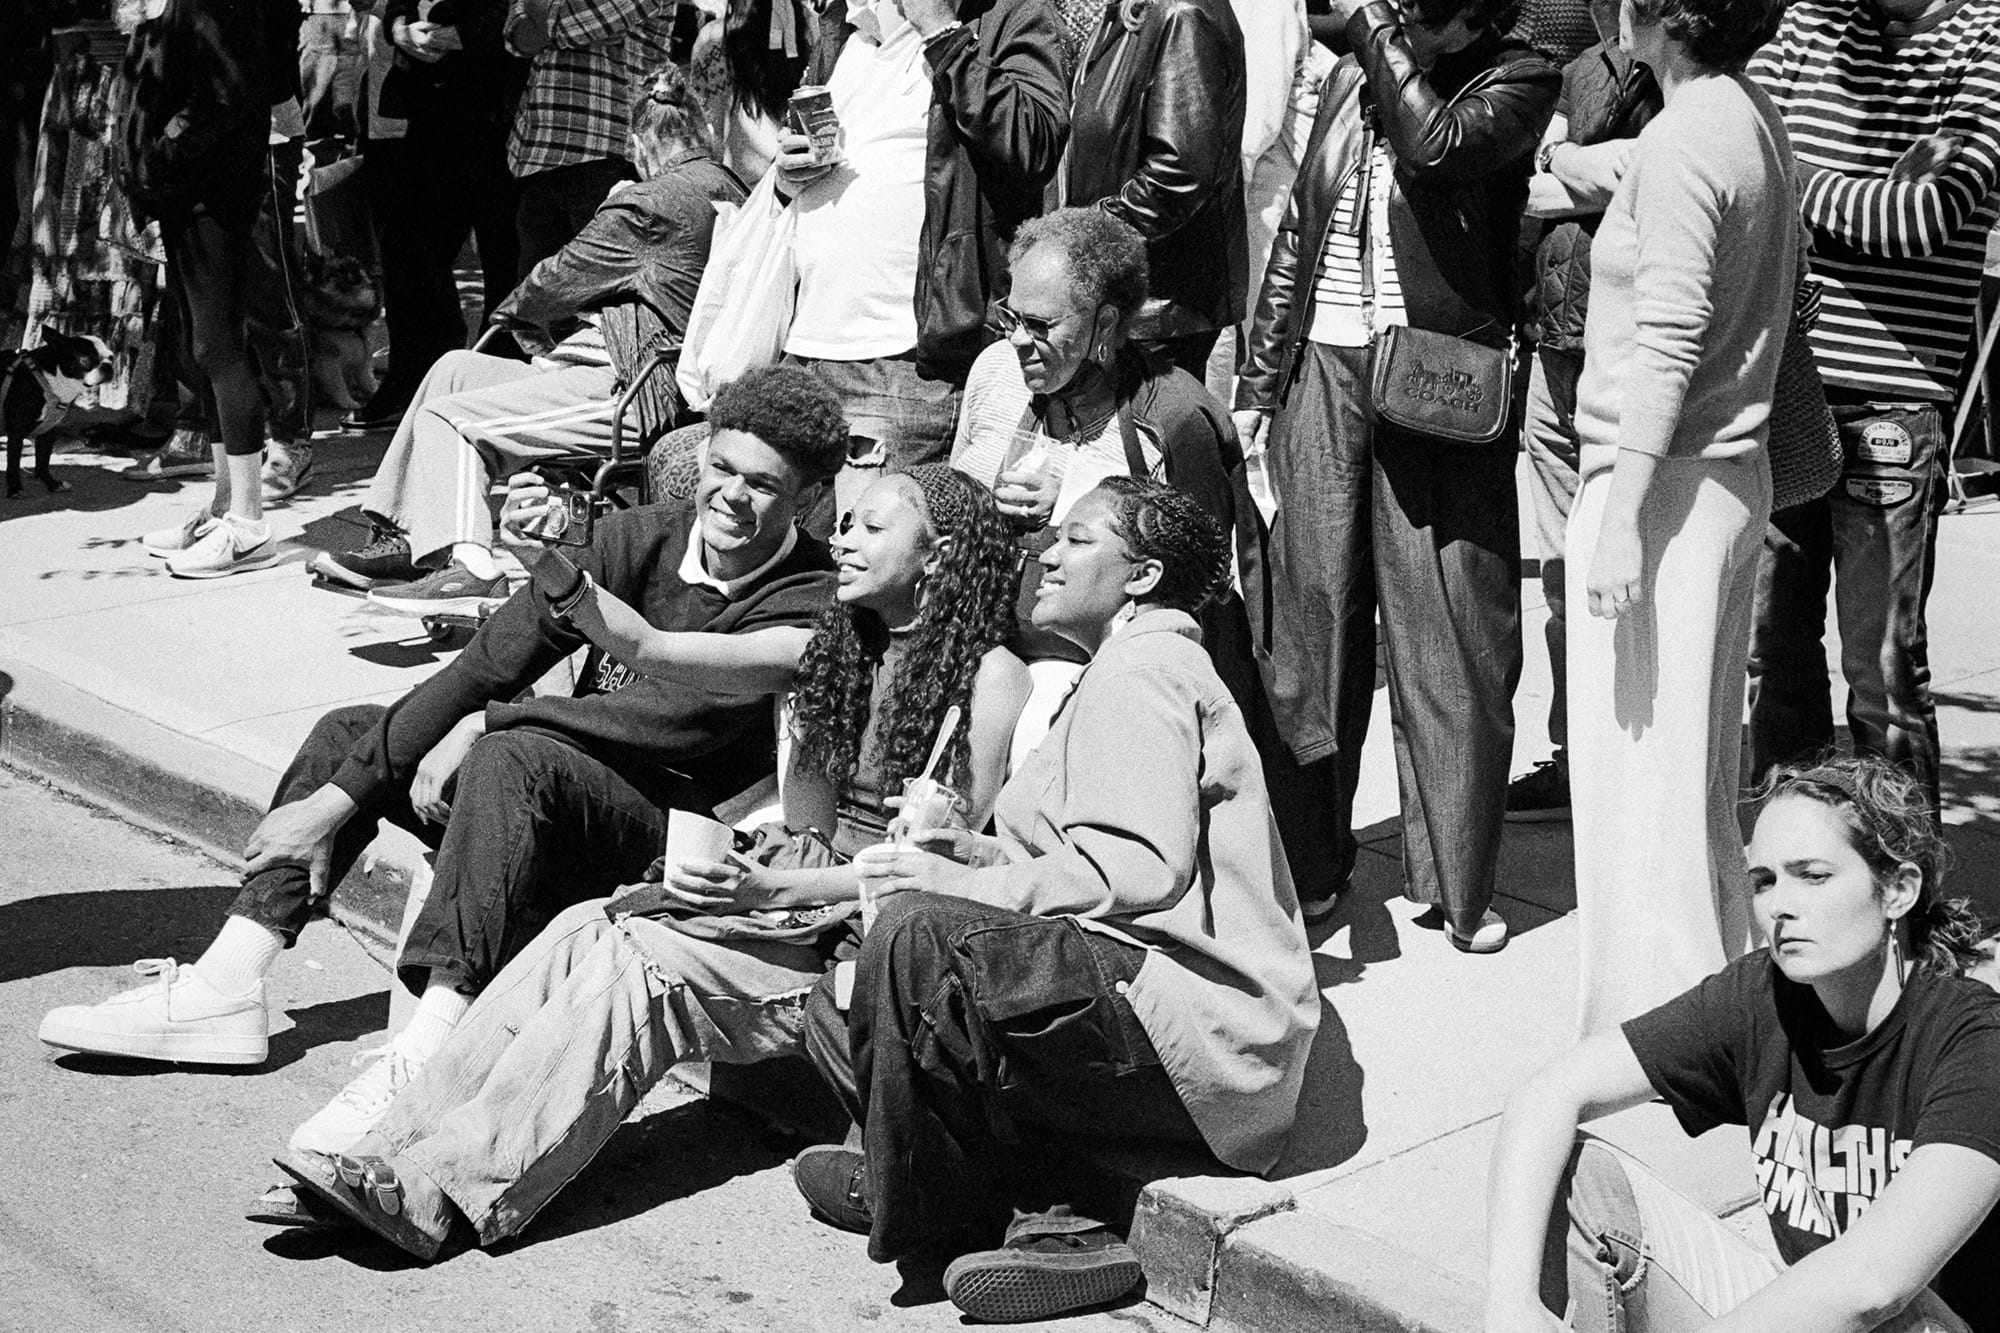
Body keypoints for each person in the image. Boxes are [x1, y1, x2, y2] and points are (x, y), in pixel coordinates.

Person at [39, 367, 844, 1130]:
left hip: (670, 833)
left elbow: (672, 721)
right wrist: (331, 805)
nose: (731, 495)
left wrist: (490, 723)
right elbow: (482, 667)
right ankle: (228, 983)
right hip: (555, 785)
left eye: (762, 485)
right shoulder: (639, 536)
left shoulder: (810, 600)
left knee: (509, 754)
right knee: (352, 733)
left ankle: (426, 1056)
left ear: (806, 499)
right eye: (722, 467)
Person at [260, 466, 1028, 1261]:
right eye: (847, 523)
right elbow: (653, 649)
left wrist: (773, 886)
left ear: (939, 554)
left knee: (640, 967)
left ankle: (435, 1191)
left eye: (872, 527)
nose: (843, 540)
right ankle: (380, 1153)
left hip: (864, 944)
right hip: (795, 897)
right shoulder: (834, 647)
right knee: (582, 929)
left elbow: (924, 868)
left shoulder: (992, 677)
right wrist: (549, 563)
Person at [792, 478, 1320, 1324]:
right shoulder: (1118, 668)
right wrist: (976, 853)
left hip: (1192, 1026)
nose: (1046, 553)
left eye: (1076, 539)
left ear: (1141, 577)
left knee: (915, 936)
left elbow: (1137, 870)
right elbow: (1086, 855)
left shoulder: (1146, 669)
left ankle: (940, 1191)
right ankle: (1024, 1212)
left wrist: (960, 887)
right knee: (840, 998)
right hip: (1119, 993)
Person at [1234, 0, 1558, 953]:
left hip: (1437, 376)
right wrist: (1260, 382)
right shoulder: (1355, 77)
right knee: (1314, 628)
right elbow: (1300, 232)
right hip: (1325, 367)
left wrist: (1372, 33)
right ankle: (1315, 862)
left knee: (1450, 633)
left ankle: (1459, 886)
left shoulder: (1518, 76)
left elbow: (1435, 145)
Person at [1483, 755, 2000, 1333]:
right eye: (1764, 881)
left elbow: (1876, 1283)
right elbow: (1545, 1096)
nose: (1780, 905)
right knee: (1578, 1175)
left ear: (1898, 891)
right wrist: (1510, 1303)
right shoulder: (1762, 995)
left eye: (1813, 875)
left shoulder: (1975, 1041)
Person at [307, 64, 744, 611]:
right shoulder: (731, 187)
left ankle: (471, 569)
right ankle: (407, 537)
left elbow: (554, 280)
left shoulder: (647, 204)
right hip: (646, 372)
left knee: (450, 419)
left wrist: (519, 315)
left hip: (637, 389)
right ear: (702, 132)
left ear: (637, 145)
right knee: (454, 369)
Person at [1566, 0, 1795, 1034]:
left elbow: (1665, 337)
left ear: (1658, 14)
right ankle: (1715, 1013)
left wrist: (1619, 516)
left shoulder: (1680, 142)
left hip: (1659, 488)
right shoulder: (1746, 113)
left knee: (1640, 794)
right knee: (1691, 785)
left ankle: (1660, 1035)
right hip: (1722, 478)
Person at [1745, 0, 2000, 821]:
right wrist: (1874, 187)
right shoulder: (1811, 21)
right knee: (1773, 652)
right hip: (1789, 384)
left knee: (1881, 672)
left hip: (1895, 406)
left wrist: (1794, 176)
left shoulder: (1987, 38)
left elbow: (1926, 216)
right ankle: (1792, 866)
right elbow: (1741, 153)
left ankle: (1901, 880)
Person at [777, 0, 1068, 514]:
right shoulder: (844, 26)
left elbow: (1035, 143)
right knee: (787, 551)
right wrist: (788, 171)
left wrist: (940, 31)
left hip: (902, 367)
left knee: (870, 552)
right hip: (806, 349)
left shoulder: (1010, 16)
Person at [1503, 0, 1660, 824]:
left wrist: (1565, 160)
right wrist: (1576, 167)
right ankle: (1575, 757)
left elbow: (1650, 175)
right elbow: (1529, 191)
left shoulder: (1689, 83)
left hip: (1629, 355)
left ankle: (1635, 756)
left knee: (1634, 567)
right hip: (1554, 348)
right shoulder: (1581, 69)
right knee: (1565, 576)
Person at [116, 0, 291, 578]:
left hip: (210, 194)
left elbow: (223, 96)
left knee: (218, 348)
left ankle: (249, 525)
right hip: (182, 193)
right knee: (201, 348)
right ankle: (224, 507)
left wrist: (159, 157)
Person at [1064, 0, 1245, 378]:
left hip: (1158, 308)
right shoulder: (1133, 12)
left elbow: (1180, 172)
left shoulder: (1183, 15)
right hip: (1123, 294)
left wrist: (1083, 233)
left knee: (1138, 416)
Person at [502, 0, 677, 275]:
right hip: (542, 154)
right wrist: (550, 23)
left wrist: (545, 23)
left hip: (612, 156)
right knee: (537, 295)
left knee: (604, 292)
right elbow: (517, 38)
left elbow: (574, 23)